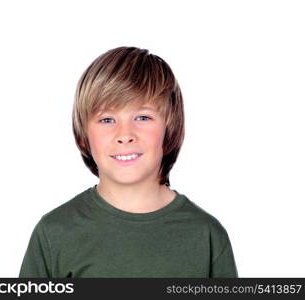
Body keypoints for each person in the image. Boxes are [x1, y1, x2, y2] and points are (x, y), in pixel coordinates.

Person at [19, 46, 238, 278]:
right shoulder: (54, 233)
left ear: (170, 128)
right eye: (107, 119)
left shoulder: (207, 236)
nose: (125, 134)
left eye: (143, 117)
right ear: (84, 135)